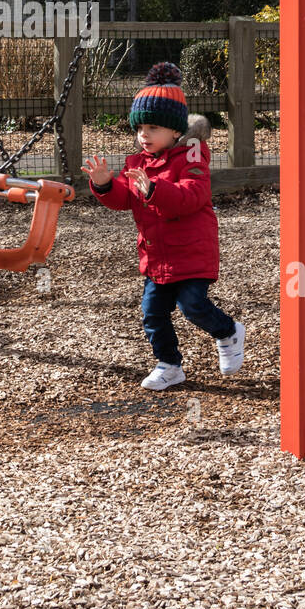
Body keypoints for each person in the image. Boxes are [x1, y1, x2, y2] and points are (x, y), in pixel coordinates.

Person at [81, 61, 245, 390]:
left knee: (192, 305)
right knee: (152, 313)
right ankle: (169, 365)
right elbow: (123, 199)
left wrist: (154, 190)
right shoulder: (136, 163)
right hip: (157, 256)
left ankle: (227, 331)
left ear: (174, 131)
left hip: (192, 252)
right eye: (140, 128)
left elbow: (193, 196)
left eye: (153, 128)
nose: (144, 135)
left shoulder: (193, 158)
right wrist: (103, 185)